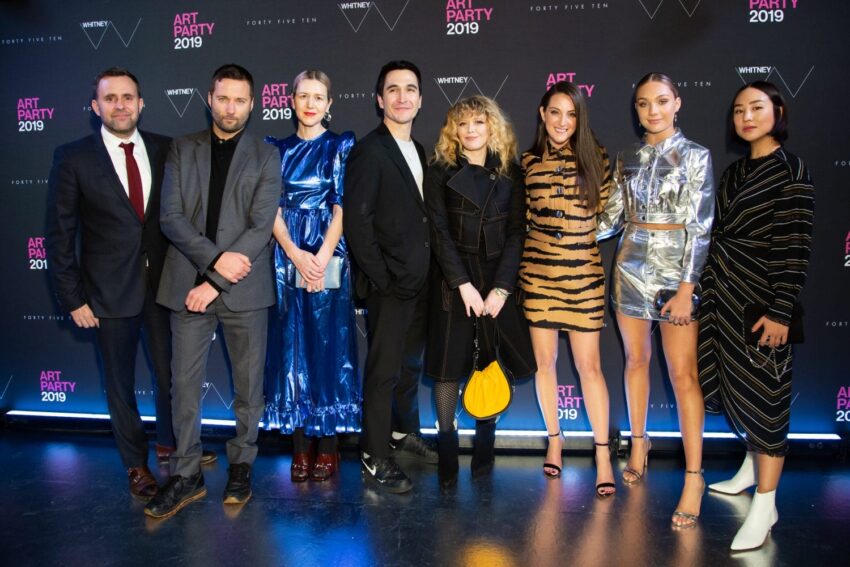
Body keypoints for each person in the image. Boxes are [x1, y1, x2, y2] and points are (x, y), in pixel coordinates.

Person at [144, 64, 280, 519]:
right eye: (223, 98)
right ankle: (186, 475)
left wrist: (217, 282)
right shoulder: (182, 150)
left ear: (253, 103)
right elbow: (171, 218)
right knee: (182, 386)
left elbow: (261, 227)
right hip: (187, 286)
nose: (231, 108)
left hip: (246, 288)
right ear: (209, 98)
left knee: (248, 388)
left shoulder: (265, 155)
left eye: (240, 100)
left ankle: (241, 466)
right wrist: (213, 268)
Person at [46, 67, 174, 500]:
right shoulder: (73, 157)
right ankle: (136, 465)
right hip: (106, 294)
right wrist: (73, 298)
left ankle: (171, 448)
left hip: (164, 289)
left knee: (170, 376)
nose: (120, 105)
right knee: (119, 385)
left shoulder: (165, 149)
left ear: (141, 103)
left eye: (128, 97)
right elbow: (59, 235)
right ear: (95, 107)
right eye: (111, 98)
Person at [698, 81, 814, 551]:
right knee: (736, 391)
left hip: (763, 304)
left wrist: (781, 310)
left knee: (768, 402)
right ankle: (750, 470)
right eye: (739, 109)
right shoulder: (733, 172)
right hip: (723, 300)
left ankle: (766, 505)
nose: (747, 117)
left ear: (778, 112)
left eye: (757, 108)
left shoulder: (792, 170)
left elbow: (795, 246)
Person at [597, 72, 714, 527]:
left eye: (661, 101)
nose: (653, 111)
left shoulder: (697, 156)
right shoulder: (626, 156)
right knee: (635, 361)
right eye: (644, 103)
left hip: (675, 275)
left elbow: (702, 227)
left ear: (677, 102)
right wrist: (563, 230)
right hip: (629, 266)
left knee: (683, 374)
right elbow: (609, 218)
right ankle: (639, 442)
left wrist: (688, 287)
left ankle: (693, 475)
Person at [424, 95, 536, 488]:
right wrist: (464, 285)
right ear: (453, 130)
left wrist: (502, 289)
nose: (470, 130)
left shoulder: (511, 172)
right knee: (447, 367)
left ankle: (485, 444)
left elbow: (517, 233)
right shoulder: (439, 171)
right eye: (463, 123)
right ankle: (447, 444)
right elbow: (437, 231)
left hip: (495, 282)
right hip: (452, 281)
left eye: (478, 122)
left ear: (493, 127)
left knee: (488, 362)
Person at [344, 60, 438, 494]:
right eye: (393, 90)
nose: (403, 97)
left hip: (421, 283)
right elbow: (358, 226)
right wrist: (382, 279)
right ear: (380, 99)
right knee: (383, 372)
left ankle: (402, 433)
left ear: (419, 99)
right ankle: (374, 453)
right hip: (390, 286)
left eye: (410, 89)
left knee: (409, 366)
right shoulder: (369, 150)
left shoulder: (420, 151)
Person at [519, 81, 616, 497]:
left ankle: (603, 454)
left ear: (580, 119)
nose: (563, 121)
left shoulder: (598, 160)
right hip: (538, 276)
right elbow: (521, 221)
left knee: (589, 368)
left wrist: (576, 240)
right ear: (543, 114)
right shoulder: (526, 163)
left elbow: (610, 218)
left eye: (571, 114)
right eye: (555, 112)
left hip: (584, 278)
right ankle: (554, 439)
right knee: (545, 364)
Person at [264, 70, 360, 482]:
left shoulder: (339, 145)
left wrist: (319, 257)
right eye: (303, 95)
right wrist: (294, 254)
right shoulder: (275, 149)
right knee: (292, 347)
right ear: (290, 100)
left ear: (329, 103)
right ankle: (300, 447)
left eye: (318, 96)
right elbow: (271, 208)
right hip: (288, 256)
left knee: (329, 346)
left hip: (328, 252)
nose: (310, 103)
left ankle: (329, 448)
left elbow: (342, 207)